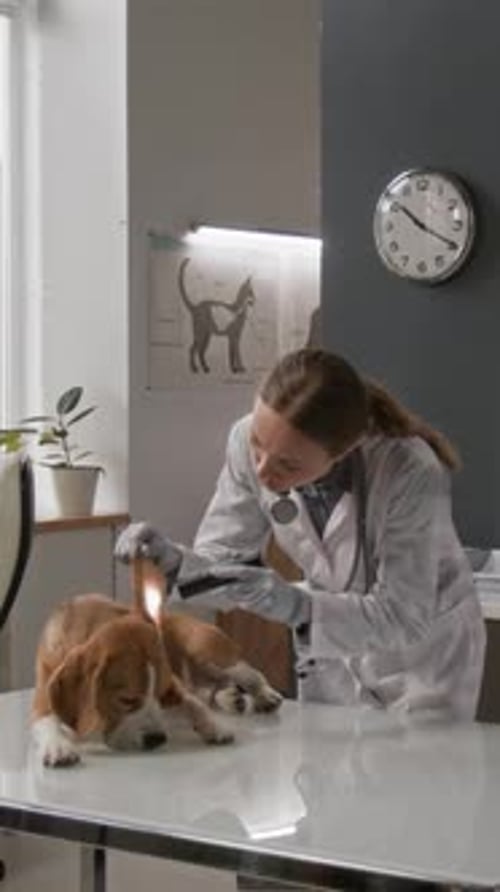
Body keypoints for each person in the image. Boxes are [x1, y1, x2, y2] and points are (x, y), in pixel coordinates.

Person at [116, 348, 486, 720]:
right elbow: (223, 560)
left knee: (417, 774)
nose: (262, 471)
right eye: (258, 445)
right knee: (329, 766)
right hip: (333, 661)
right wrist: (179, 565)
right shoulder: (245, 441)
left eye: (287, 464)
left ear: (344, 450)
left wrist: (296, 605)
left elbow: (404, 614)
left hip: (420, 662)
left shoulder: (408, 469)